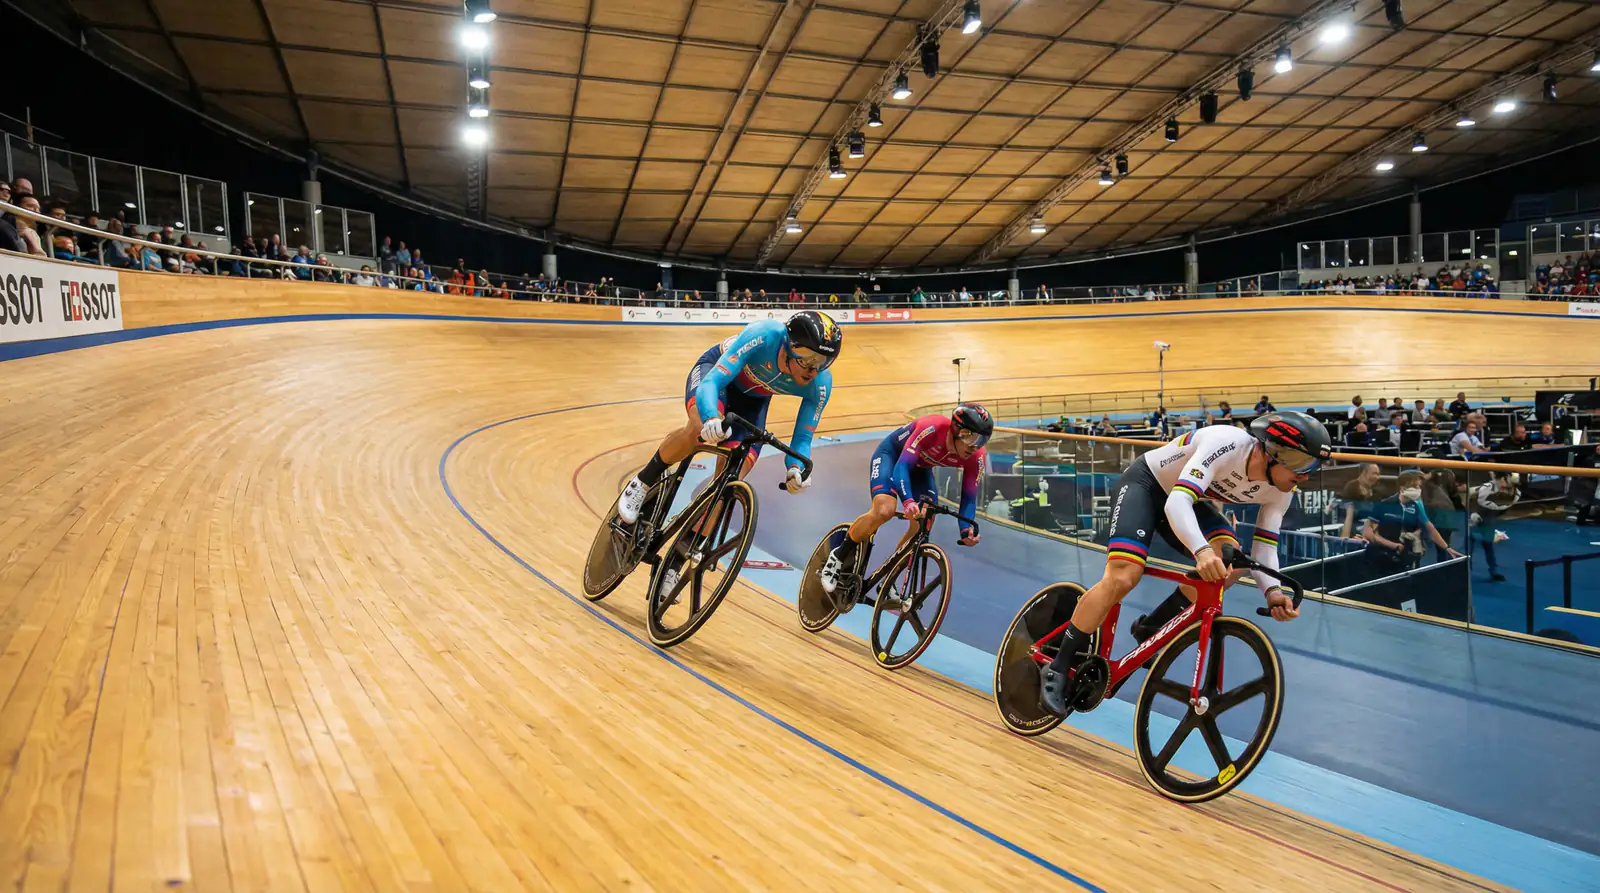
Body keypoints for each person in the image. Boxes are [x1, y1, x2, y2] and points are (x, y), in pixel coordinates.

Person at [1038, 412, 1330, 716]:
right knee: (1124, 576)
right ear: (1274, 452)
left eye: (1315, 467)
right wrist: (1201, 551)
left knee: (1233, 562)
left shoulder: (1281, 491)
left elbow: (1265, 545)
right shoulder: (1226, 443)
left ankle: (1154, 626)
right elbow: (1176, 502)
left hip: (1191, 503)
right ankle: (1058, 666)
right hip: (1148, 486)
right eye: (1302, 464)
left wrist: (1273, 592)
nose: (1307, 475)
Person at [614, 311, 842, 585]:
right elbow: (713, 382)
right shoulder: (764, 335)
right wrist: (711, 416)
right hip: (715, 375)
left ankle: (675, 562)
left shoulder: (819, 384)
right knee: (699, 430)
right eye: (810, 360)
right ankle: (642, 481)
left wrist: (796, 468)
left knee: (731, 480)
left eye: (824, 362)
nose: (814, 370)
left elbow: (803, 439)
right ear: (789, 347)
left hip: (752, 402)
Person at [818, 403, 991, 595]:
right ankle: (838, 557)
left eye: (982, 440)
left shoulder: (976, 457)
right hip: (892, 457)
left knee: (924, 522)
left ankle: (889, 577)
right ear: (958, 430)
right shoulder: (931, 428)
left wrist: (966, 529)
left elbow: (969, 496)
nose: (975, 446)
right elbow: (901, 468)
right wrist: (908, 501)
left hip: (920, 469)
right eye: (972, 437)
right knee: (885, 510)